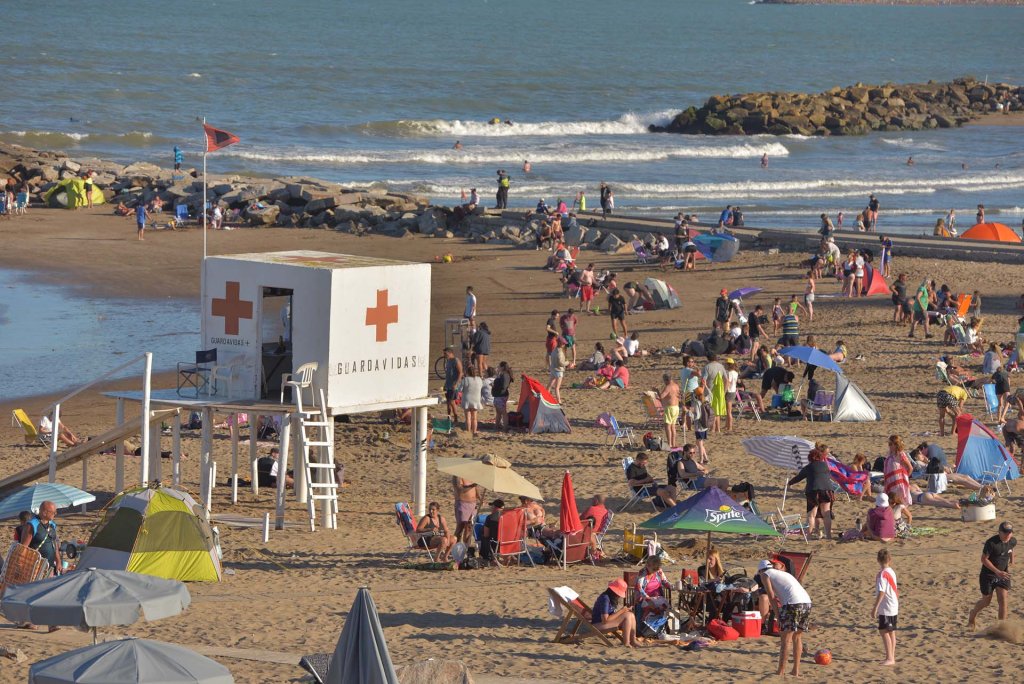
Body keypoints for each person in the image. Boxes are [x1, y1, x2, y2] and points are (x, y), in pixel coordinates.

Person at [758, 558, 813, 677]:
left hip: (793, 604)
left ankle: (781, 671)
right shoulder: (783, 573)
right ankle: (795, 671)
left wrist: (777, 615)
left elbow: (771, 597)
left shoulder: (765, 574)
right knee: (797, 637)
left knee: (785, 639)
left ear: (760, 571)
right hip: (806, 602)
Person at [967, 521, 1015, 630]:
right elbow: (983, 559)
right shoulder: (991, 543)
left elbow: (1011, 549)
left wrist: (1012, 560)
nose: (1008, 535)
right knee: (986, 602)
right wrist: (997, 571)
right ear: (999, 532)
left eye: (1010, 532)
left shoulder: (1012, 540)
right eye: (1005, 533)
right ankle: (972, 615)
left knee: (1003, 600)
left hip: (1003, 574)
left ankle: (1001, 628)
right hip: (988, 575)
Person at [787, 445, 834, 540]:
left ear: (810, 458)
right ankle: (828, 536)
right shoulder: (825, 465)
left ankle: (809, 536)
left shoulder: (808, 467)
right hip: (827, 490)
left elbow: (799, 477)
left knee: (811, 515)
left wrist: (789, 483)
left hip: (813, 491)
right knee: (826, 514)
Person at [591, 579, 639, 647]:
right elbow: (605, 620)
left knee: (631, 614)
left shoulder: (610, 598)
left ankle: (633, 640)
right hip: (597, 625)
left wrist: (623, 611)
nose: (619, 596)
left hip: (603, 623)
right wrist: (622, 611)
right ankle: (626, 643)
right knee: (627, 616)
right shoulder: (605, 599)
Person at [873, 548, 899, 666]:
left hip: (886, 607)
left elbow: (881, 592)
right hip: (893, 605)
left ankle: (890, 658)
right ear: (890, 560)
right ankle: (891, 656)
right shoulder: (891, 571)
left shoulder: (882, 575)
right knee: (891, 631)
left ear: (878, 560)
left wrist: (875, 608)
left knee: (884, 631)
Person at [453, 470, 482, 547]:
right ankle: (457, 547)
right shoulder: (457, 475)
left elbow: (476, 488)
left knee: (469, 526)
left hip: (473, 504)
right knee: (460, 527)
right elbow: (460, 489)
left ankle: (466, 547)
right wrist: (472, 485)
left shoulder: (472, 474)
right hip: (462, 503)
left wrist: (479, 497)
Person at [883, 435, 913, 507]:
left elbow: (910, 468)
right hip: (890, 481)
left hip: (898, 483)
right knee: (892, 501)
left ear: (896, 444)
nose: (889, 446)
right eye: (889, 444)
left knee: (898, 502)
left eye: (891, 444)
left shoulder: (900, 454)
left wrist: (904, 478)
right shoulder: (890, 454)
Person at [461, 366, 484, 437]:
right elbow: (481, 388)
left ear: (467, 372)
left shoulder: (465, 379)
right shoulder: (479, 379)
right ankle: (474, 431)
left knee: (468, 417)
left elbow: (460, 389)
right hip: (476, 399)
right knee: (474, 417)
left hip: (467, 399)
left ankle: (468, 431)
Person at [443, 346, 463, 422]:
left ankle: (456, 418)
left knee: (452, 401)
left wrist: (456, 384)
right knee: (448, 402)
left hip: (453, 385)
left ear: (450, 353)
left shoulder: (456, 360)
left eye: (445, 354)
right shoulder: (448, 361)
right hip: (447, 384)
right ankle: (448, 417)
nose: (444, 355)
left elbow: (460, 373)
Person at [492, 361, 513, 431]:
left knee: (503, 412)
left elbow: (503, 386)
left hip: (500, 395)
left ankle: (504, 428)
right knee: (499, 412)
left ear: (502, 367)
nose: (498, 368)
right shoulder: (504, 374)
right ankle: (496, 426)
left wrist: (494, 385)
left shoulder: (504, 375)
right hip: (501, 395)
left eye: (499, 366)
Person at [548, 336, 567, 403]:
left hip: (553, 370)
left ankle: (545, 397)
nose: (564, 345)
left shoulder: (554, 350)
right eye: (563, 343)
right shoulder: (560, 353)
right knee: (557, 388)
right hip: (558, 371)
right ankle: (559, 401)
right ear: (561, 344)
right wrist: (567, 363)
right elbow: (561, 363)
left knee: (549, 385)